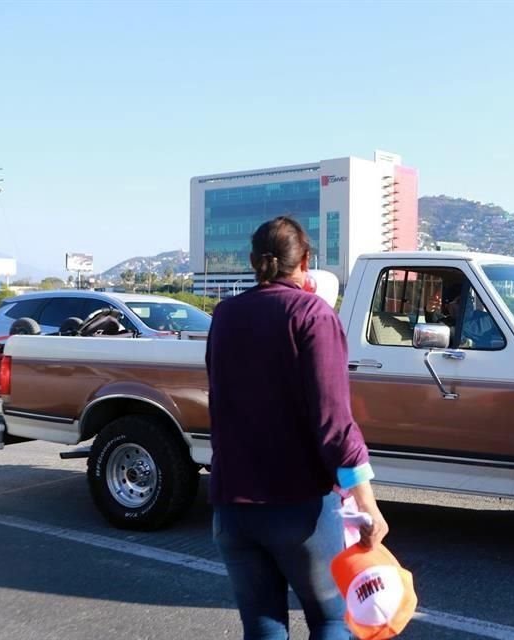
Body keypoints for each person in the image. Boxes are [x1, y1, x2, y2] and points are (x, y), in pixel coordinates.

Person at [206, 215, 388, 640]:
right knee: (330, 620)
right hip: (298, 505)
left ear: (253, 261)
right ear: (305, 261)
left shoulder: (226, 315)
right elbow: (334, 421)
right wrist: (367, 503)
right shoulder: (312, 313)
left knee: (263, 625)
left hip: (232, 506)